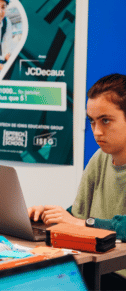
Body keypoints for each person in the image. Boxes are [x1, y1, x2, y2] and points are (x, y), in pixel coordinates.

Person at [28, 74, 126, 288]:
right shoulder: (100, 158)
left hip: (116, 274)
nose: (97, 131)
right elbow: (78, 214)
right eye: (92, 121)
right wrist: (50, 217)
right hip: (94, 269)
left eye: (106, 120)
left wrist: (82, 223)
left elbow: (86, 222)